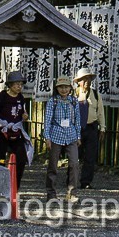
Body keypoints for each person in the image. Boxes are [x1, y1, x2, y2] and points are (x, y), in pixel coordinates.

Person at [43, 73, 81, 201]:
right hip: (55, 135)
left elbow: (77, 120)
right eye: (61, 87)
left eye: (66, 87)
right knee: (53, 165)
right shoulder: (52, 101)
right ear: (57, 88)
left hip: (71, 135)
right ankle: (51, 194)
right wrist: (47, 137)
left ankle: (72, 193)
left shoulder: (74, 101)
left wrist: (78, 136)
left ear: (70, 88)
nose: (64, 89)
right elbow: (47, 120)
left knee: (74, 164)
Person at [0, 70, 32, 187]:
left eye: (21, 84)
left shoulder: (21, 97)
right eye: (17, 84)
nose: (19, 86)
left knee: (21, 157)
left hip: (16, 131)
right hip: (3, 130)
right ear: (10, 85)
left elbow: (22, 112)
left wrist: (25, 116)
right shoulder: (2, 96)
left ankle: (15, 185)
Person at [74, 68, 106, 190]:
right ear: (78, 82)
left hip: (92, 127)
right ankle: (71, 180)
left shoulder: (96, 94)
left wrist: (102, 128)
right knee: (74, 155)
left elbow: (100, 112)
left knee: (90, 156)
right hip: (76, 129)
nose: (86, 81)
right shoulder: (73, 94)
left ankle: (86, 181)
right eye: (83, 79)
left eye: (88, 79)